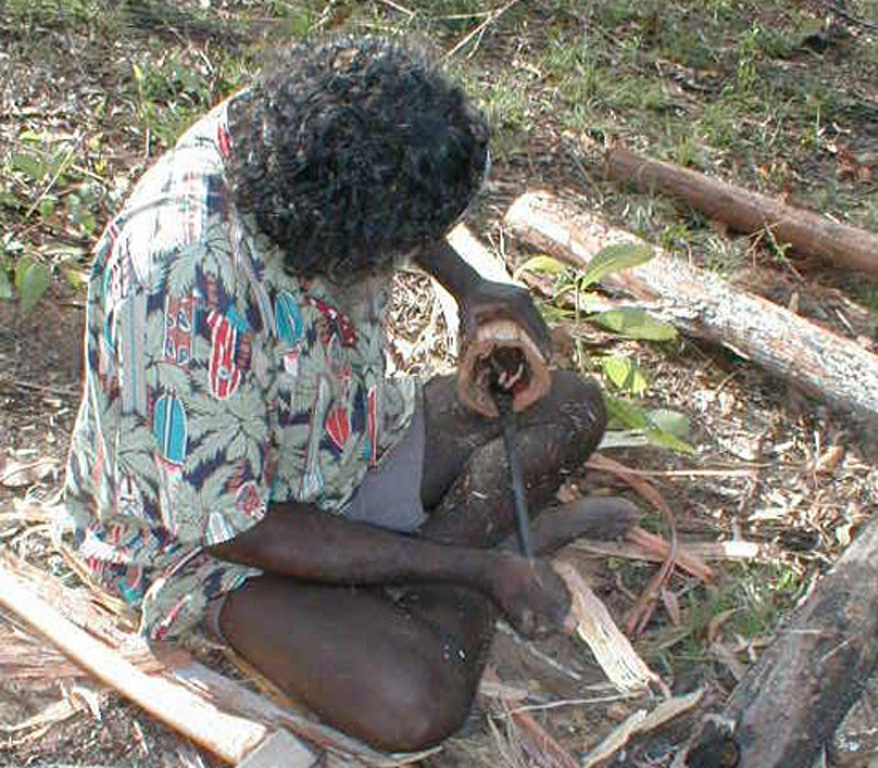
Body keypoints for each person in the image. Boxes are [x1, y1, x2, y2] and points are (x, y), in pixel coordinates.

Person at [63, 38, 638, 752]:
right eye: (401, 241)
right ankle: (483, 558)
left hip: (340, 436)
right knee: (415, 702)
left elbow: (382, 178)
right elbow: (238, 523)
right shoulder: (178, 278)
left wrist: (468, 285)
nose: (408, 253)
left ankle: (422, 571)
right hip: (213, 540)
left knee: (567, 407)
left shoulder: (297, 131)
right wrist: (478, 569)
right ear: (338, 231)